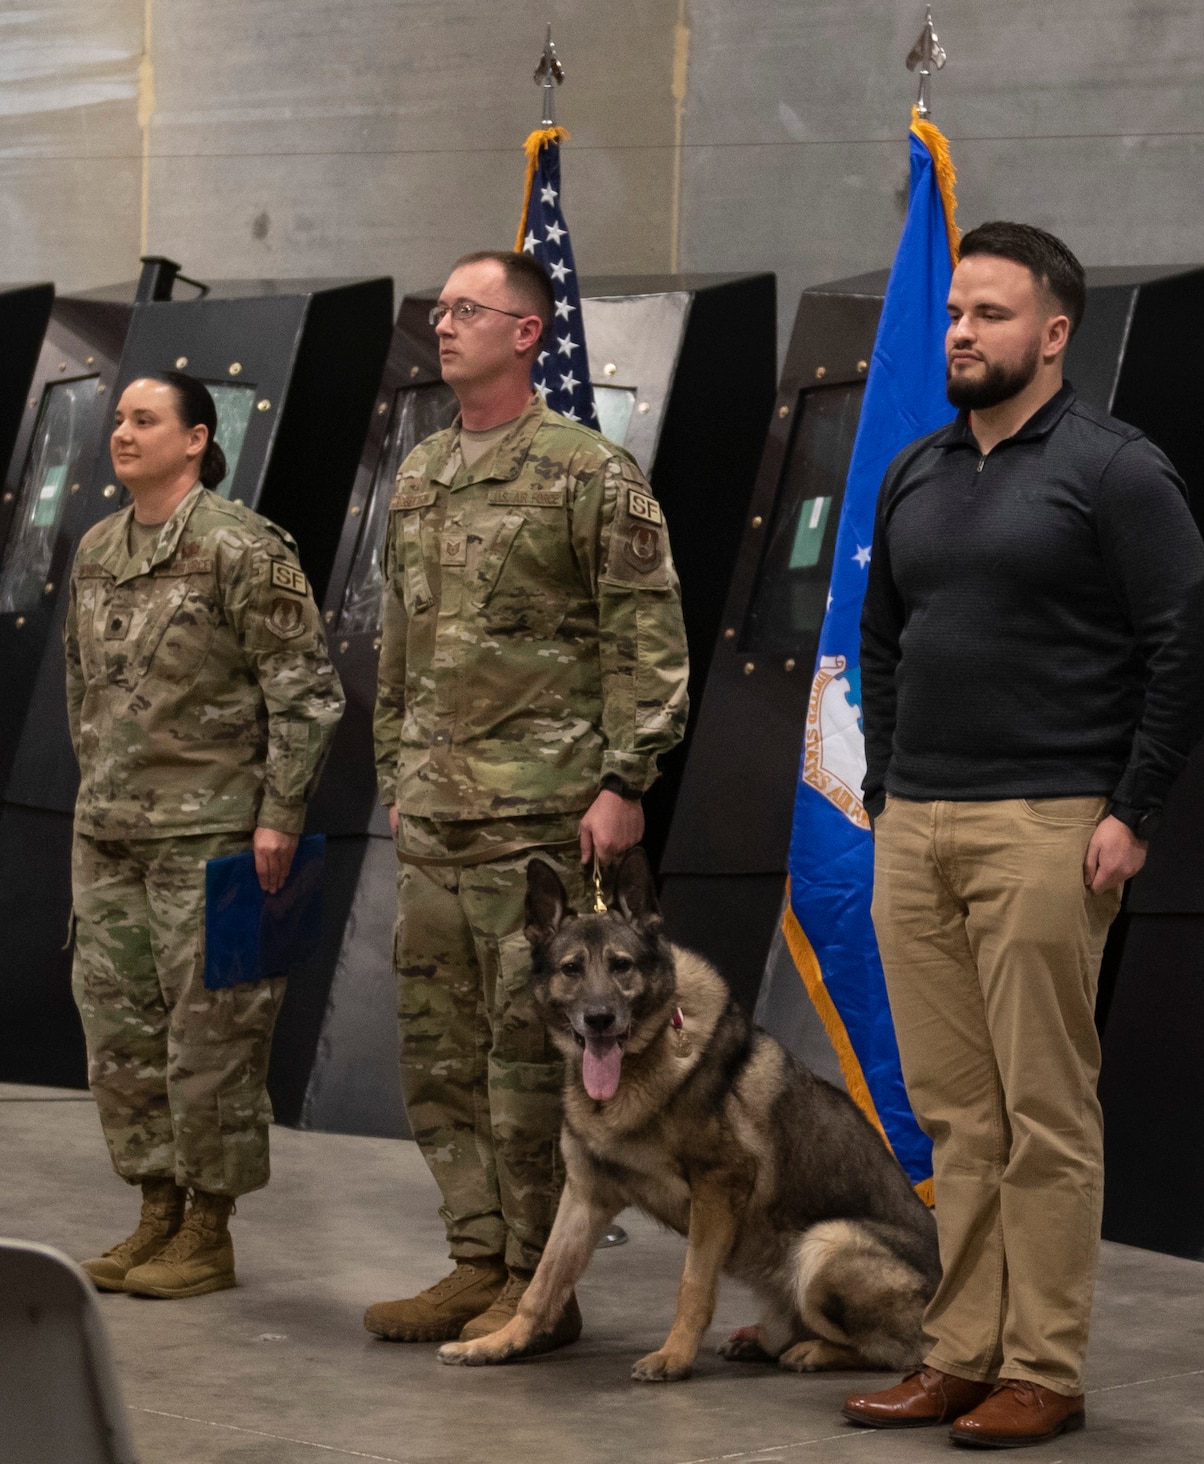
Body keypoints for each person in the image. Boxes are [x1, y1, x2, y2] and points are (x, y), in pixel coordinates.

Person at [843, 222, 1204, 1447]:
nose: (961, 332)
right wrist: (896, 789)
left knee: (1043, 1113)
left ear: (1053, 334)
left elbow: (1191, 640)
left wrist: (1131, 809)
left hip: (1048, 825)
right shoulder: (916, 470)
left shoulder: (1112, 470)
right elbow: (884, 641)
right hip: (919, 826)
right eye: (955, 313)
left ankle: (1043, 1369)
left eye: (990, 315)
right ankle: (960, 1353)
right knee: (955, 1114)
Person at [362, 251, 690, 1350]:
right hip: (436, 819)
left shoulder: (587, 474)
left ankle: (537, 1287)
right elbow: (398, 643)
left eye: (466, 309)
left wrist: (624, 779)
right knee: (435, 1051)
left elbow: (646, 637)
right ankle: (473, 1259)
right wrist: (393, 776)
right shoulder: (419, 475)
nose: (443, 326)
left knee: (523, 1062)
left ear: (526, 333)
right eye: (438, 309)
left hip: (546, 826)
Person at [64, 372, 343, 1298]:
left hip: (216, 838)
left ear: (195, 440)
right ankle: (155, 1212)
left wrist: (281, 814)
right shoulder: (100, 547)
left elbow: (304, 692)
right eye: (118, 420)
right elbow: (81, 689)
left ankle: (210, 1230)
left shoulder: (241, 548)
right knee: (123, 1033)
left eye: (145, 420)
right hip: (109, 835)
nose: (124, 433)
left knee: (212, 1039)